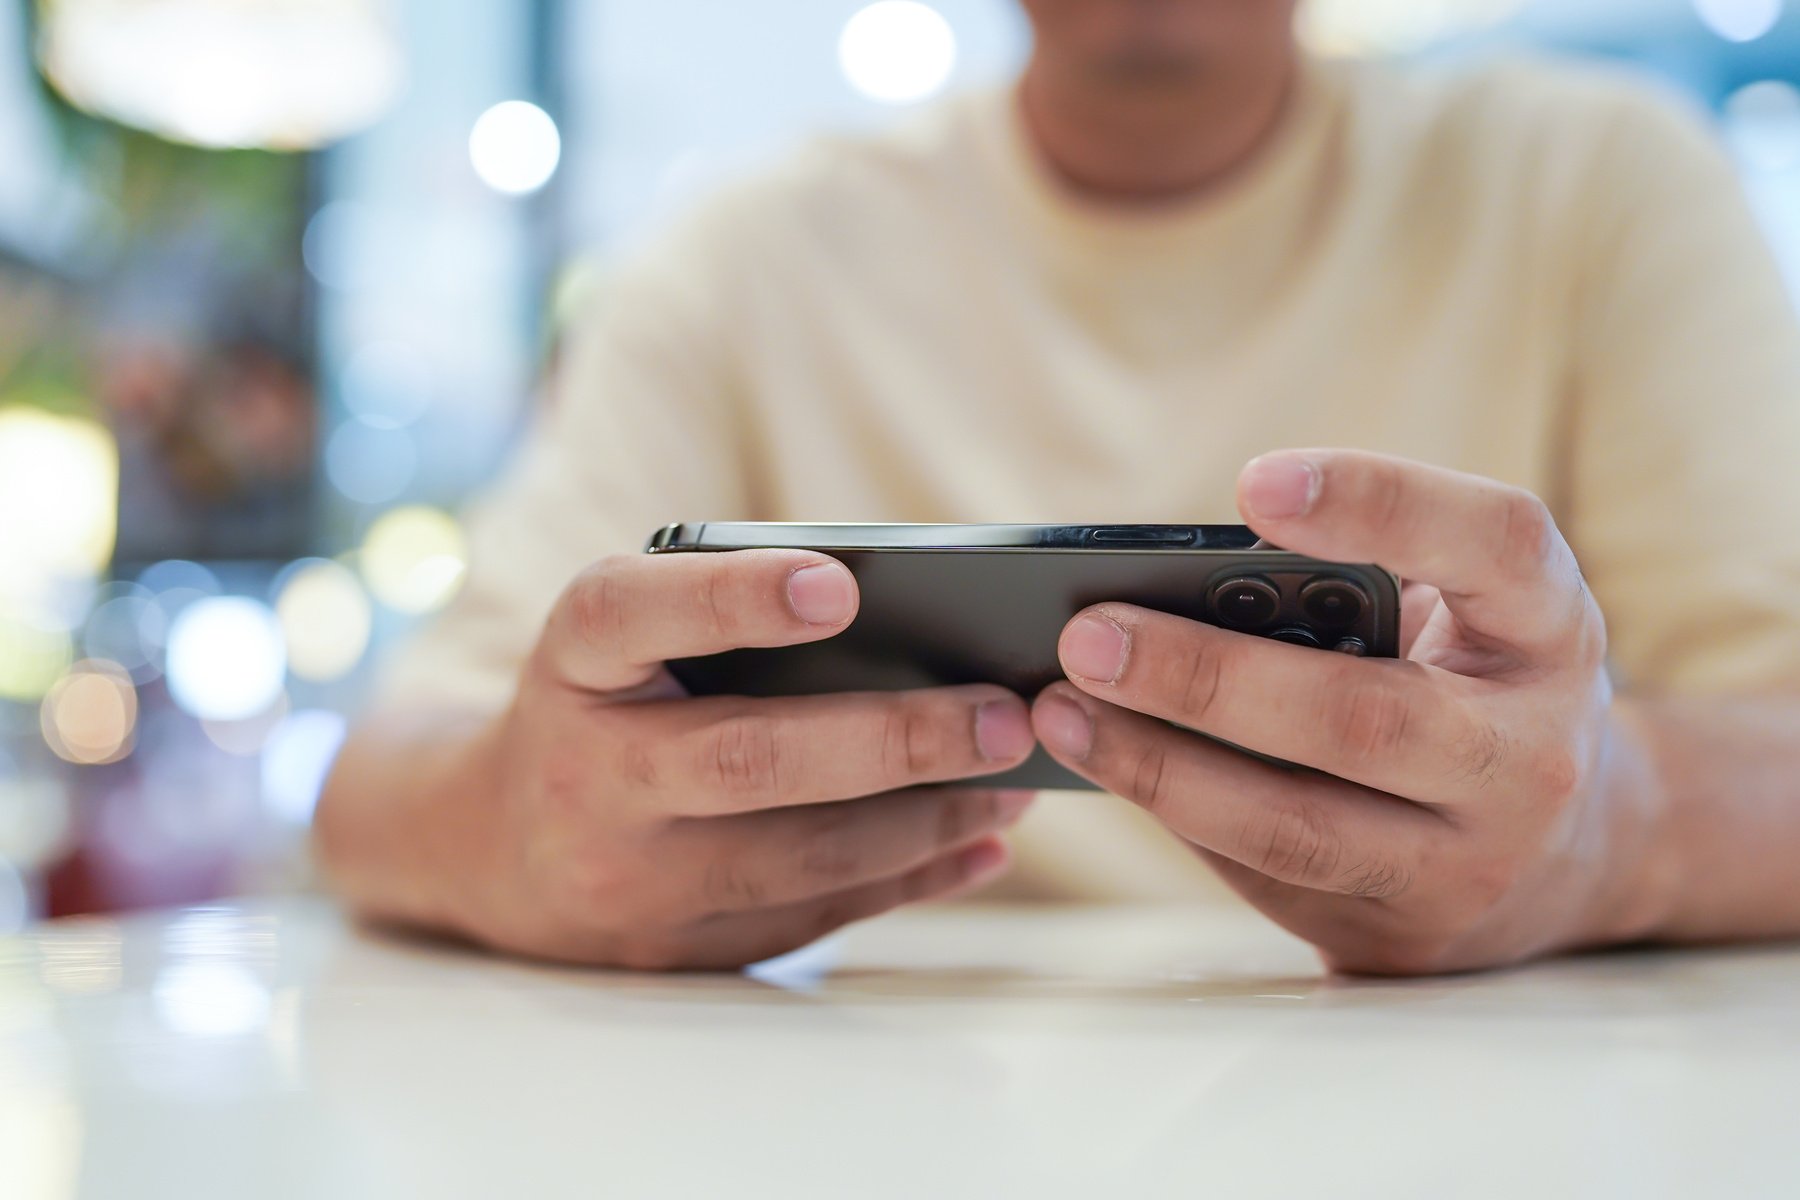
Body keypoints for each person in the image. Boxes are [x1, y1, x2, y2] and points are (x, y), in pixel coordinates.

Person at [317, 0, 1800, 974]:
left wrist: (1613, 826)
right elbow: (377, 791)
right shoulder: (740, 264)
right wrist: (531, 824)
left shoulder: (1601, 188)